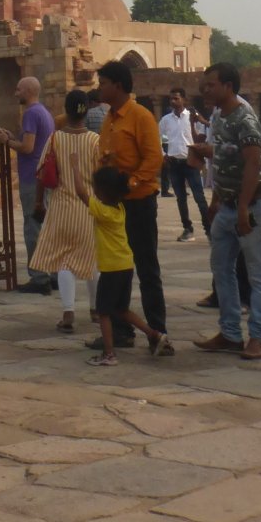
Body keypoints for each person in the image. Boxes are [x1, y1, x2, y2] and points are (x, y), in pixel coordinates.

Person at [193, 62, 261, 361]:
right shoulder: (220, 118)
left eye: (211, 85)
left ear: (228, 86)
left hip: (250, 205)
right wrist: (216, 202)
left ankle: (260, 336)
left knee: (257, 272)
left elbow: (253, 163)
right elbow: (226, 160)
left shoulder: (244, 118)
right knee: (221, 268)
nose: (205, 90)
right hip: (226, 204)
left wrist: (241, 208)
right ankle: (229, 333)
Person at [94, 60, 171, 354]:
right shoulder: (109, 119)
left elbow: (154, 159)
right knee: (118, 269)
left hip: (138, 202)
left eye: (103, 83)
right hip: (117, 205)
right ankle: (121, 331)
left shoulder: (140, 117)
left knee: (146, 266)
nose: (99, 88)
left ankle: (158, 330)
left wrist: (131, 183)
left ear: (119, 85)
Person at [74, 165, 170, 366]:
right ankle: (154, 334)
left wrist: (76, 167)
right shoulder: (120, 208)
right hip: (125, 265)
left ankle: (109, 353)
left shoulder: (103, 211)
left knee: (104, 312)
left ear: (101, 192)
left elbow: (81, 193)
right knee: (121, 309)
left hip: (111, 269)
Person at [29, 89, 100, 331]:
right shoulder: (94, 141)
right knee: (92, 260)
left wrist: (39, 202)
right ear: (86, 110)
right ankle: (95, 309)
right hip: (87, 207)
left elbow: (42, 174)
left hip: (60, 207)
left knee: (64, 262)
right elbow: (101, 178)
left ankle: (68, 312)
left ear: (66, 110)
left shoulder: (55, 139)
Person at [0, 76, 56, 294]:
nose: (15, 93)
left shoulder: (30, 113)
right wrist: (14, 137)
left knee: (33, 227)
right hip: (44, 177)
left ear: (28, 91)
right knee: (47, 227)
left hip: (32, 177)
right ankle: (54, 274)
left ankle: (39, 277)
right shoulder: (44, 112)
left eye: (19, 89)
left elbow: (29, 148)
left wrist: (7, 142)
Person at [160, 87, 208, 240]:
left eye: (176, 98)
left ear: (184, 100)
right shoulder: (166, 119)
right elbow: (157, 137)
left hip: (191, 160)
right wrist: (163, 154)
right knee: (181, 198)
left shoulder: (192, 117)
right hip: (174, 162)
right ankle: (187, 228)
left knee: (199, 196)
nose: (173, 101)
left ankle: (209, 228)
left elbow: (203, 134)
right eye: (171, 99)